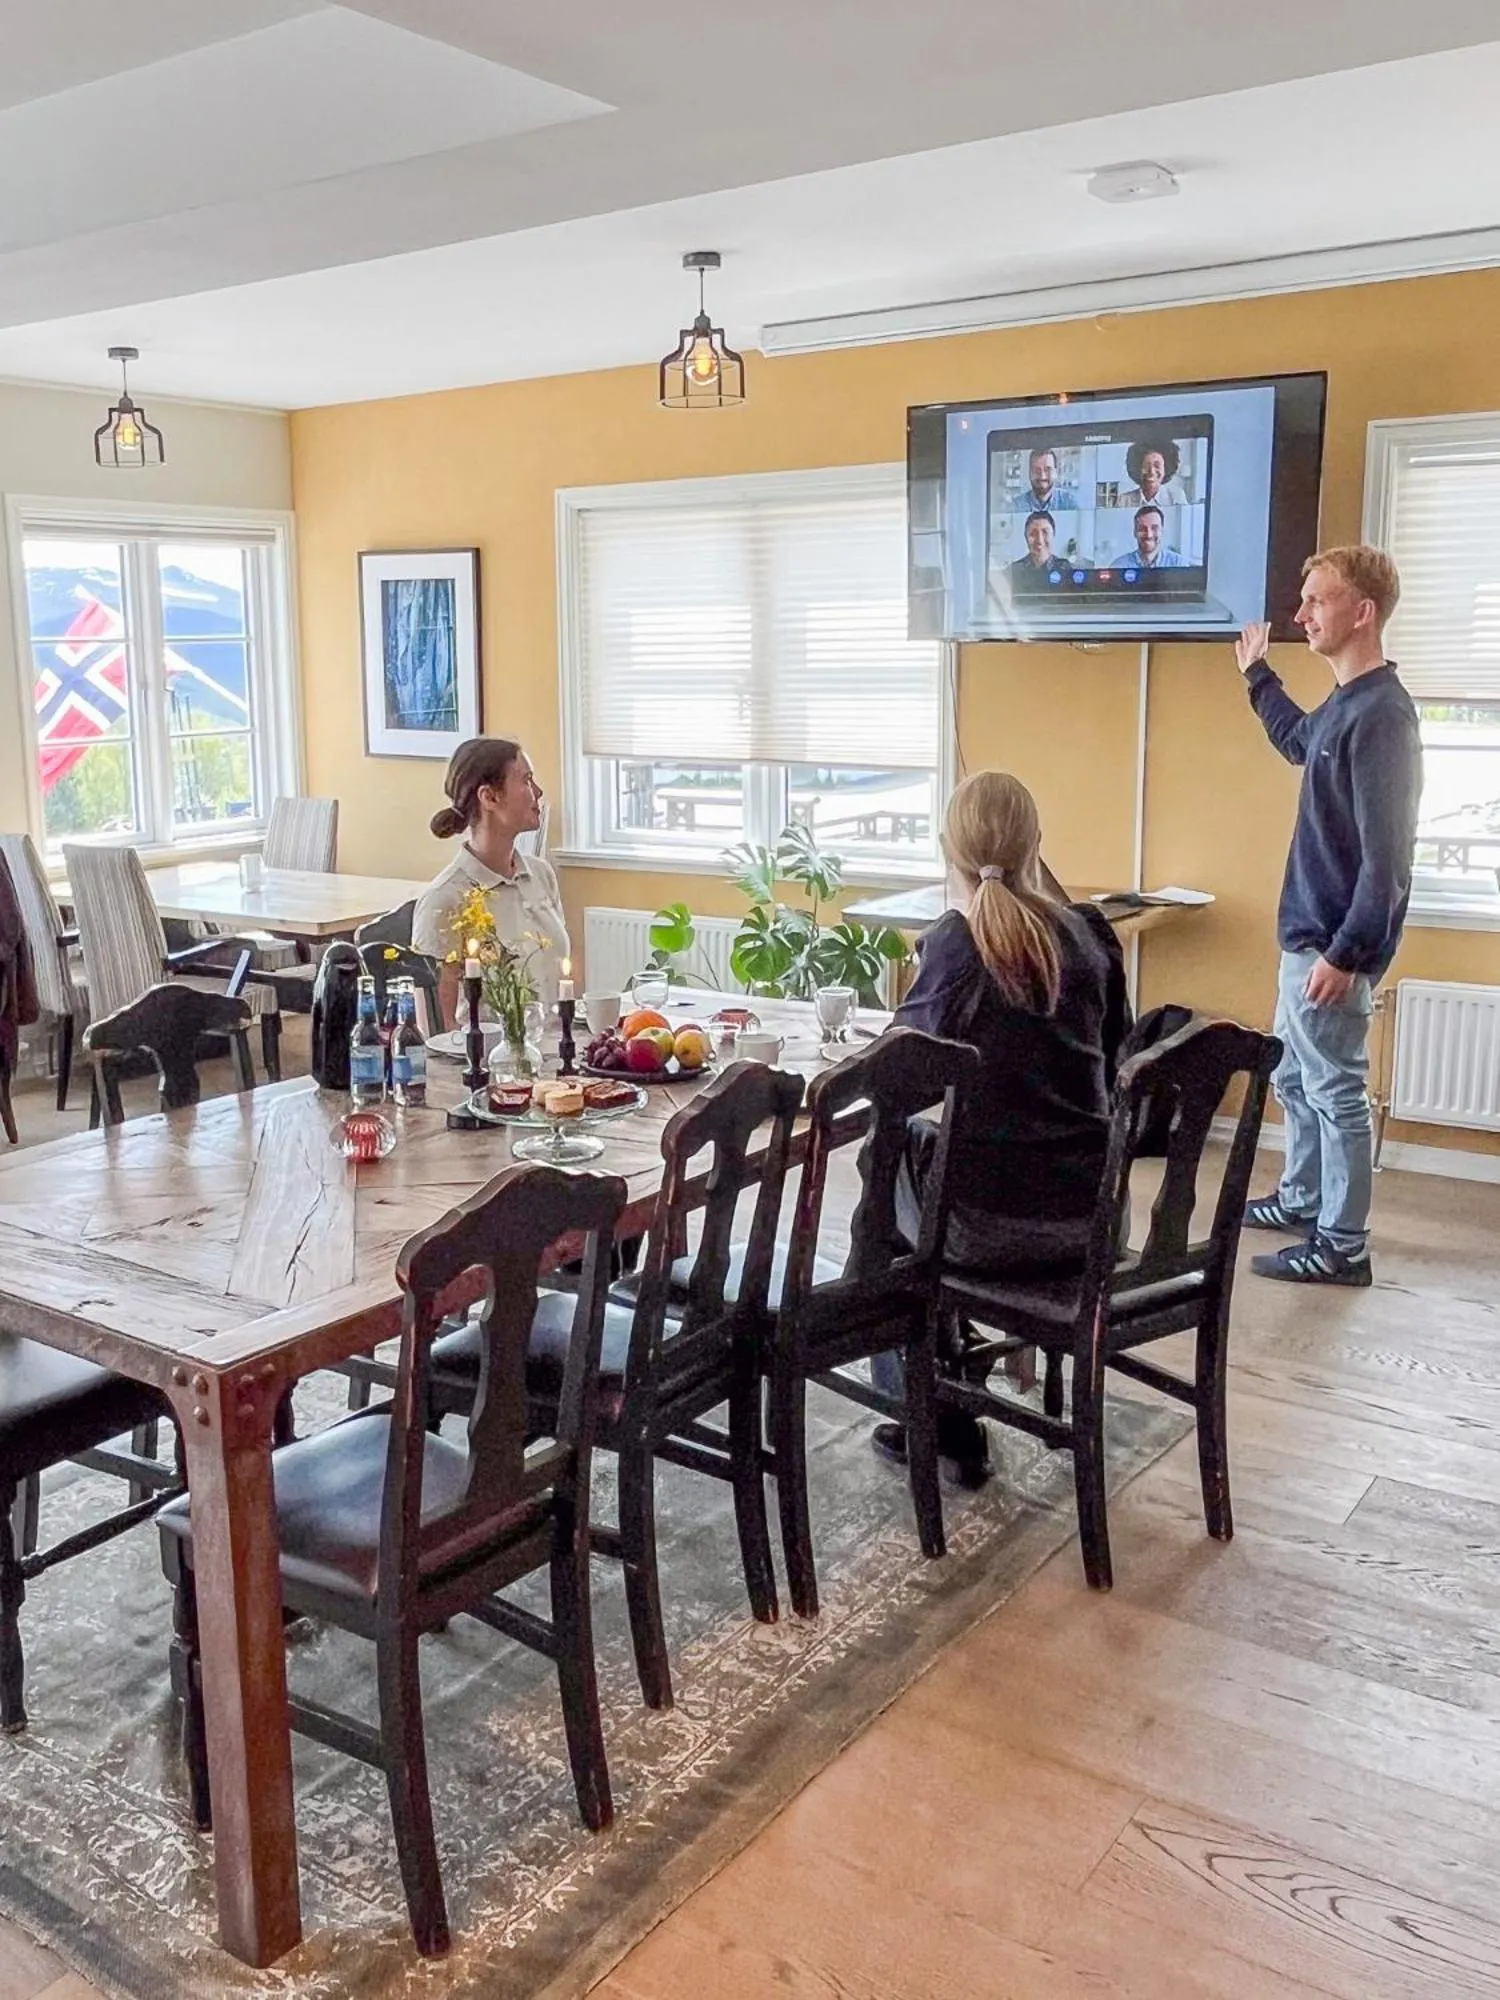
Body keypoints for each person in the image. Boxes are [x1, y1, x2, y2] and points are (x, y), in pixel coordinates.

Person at [870, 770, 1128, 1485]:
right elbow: (1111, 1065)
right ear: (1037, 845)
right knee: (919, 1165)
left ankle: (932, 1407)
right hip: (1093, 1218)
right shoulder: (1090, 937)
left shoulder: (956, 945)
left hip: (992, 1231)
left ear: (947, 850)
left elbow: (897, 1078)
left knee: (886, 1159)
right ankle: (963, 1360)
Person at [1236, 546, 1422, 1286]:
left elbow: (1388, 860)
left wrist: (1346, 955)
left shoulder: (1382, 717)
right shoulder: (1348, 704)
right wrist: (1257, 677)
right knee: (1297, 1081)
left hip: (1330, 950)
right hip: (1306, 939)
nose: (1302, 613)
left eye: (1317, 600)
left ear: (1363, 611)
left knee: (1337, 1090)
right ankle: (1304, 1197)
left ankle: (1343, 1244)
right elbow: (1297, 741)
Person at [411, 736, 569, 1028]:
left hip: (554, 1055)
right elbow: (438, 1030)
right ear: (490, 797)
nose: (538, 792)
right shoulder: (444, 900)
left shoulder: (541, 875)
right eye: (527, 780)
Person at [1118, 438, 1188, 509]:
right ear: (1137, 468)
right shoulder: (1124, 500)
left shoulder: (1177, 497)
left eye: (1157, 466)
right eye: (1146, 466)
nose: (1151, 471)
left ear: (1166, 468)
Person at [1118, 503, 1192, 569]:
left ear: (1162, 531)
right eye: (1142, 529)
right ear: (1134, 532)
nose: (1149, 535)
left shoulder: (1179, 563)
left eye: (1154, 528)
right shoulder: (1119, 565)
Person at [1008, 510, 1062, 584]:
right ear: (1026, 537)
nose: (1039, 540)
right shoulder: (1012, 572)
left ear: (1053, 535)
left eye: (1045, 532)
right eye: (1033, 533)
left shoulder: (1066, 570)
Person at [1020, 445, 1077, 515]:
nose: (1042, 476)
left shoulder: (1069, 502)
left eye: (1047, 469)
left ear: (1056, 472)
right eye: (1036, 470)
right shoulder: (1016, 504)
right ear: (1029, 473)